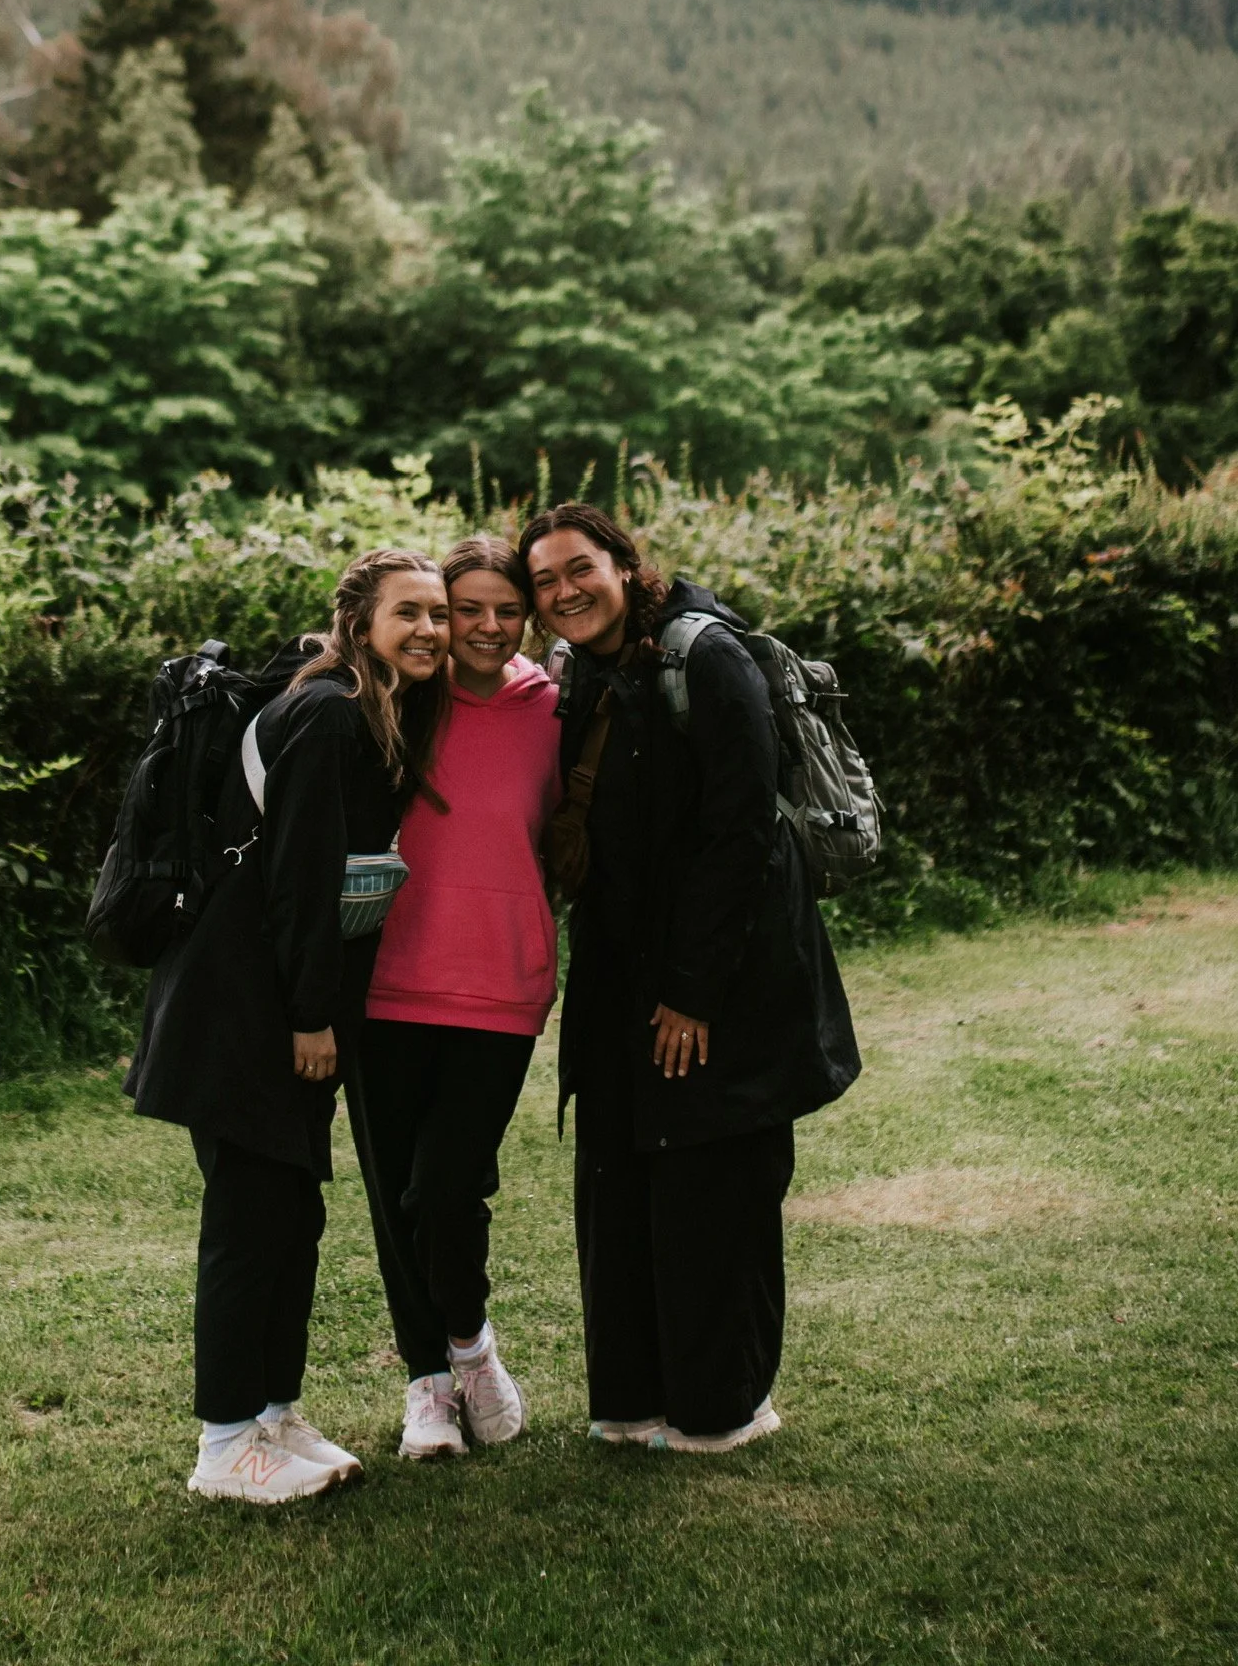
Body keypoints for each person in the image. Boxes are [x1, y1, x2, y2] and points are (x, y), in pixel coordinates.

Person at [518, 502, 861, 1454]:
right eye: (543, 581)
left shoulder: (706, 658)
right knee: (619, 1177)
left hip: (722, 975)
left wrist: (693, 990)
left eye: (578, 568)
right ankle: (629, 1400)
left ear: (624, 565)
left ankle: (719, 1407)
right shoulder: (577, 671)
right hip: (618, 972)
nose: (563, 591)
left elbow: (742, 835)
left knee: (712, 1183)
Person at [126, 549, 450, 1505]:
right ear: (359, 619)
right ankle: (224, 1444)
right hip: (244, 1006)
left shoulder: (361, 705)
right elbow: (302, 877)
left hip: (276, 1000)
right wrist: (310, 1015)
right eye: (408, 612)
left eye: (438, 612)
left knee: (290, 1215)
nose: (430, 629)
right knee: (249, 1220)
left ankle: (273, 1412)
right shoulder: (329, 713)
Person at [350, 535, 563, 1460]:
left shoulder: (557, 709)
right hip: (385, 983)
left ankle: (470, 1343)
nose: (483, 625)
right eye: (462, 607)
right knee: (395, 1195)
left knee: (444, 1184)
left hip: (502, 983)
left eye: (504, 609)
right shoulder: (398, 699)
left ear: (529, 616)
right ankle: (426, 1387)